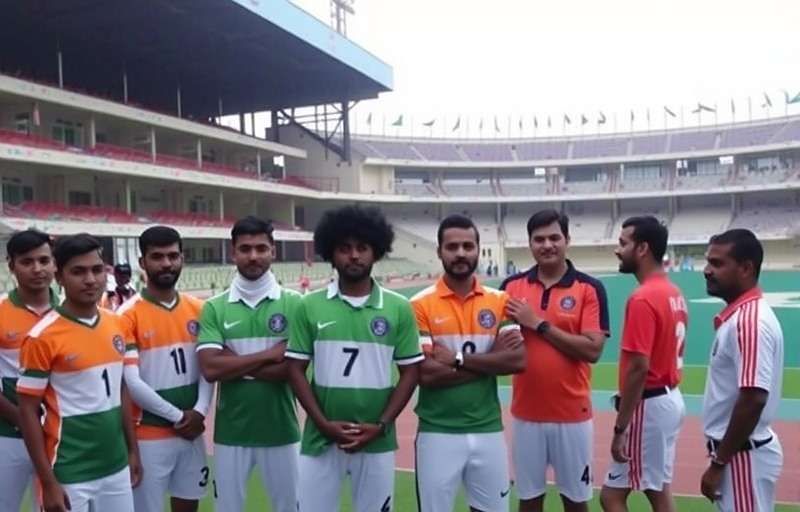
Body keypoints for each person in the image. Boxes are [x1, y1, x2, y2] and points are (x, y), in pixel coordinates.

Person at [286, 205, 423, 512]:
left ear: (376, 251)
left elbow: (411, 372)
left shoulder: (398, 308)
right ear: (331, 254)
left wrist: (382, 424)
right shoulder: (309, 305)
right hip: (320, 440)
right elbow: (295, 369)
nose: (354, 256)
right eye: (344, 248)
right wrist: (322, 424)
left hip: (376, 439)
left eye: (362, 247)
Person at [16, 233, 142, 512]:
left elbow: (121, 390)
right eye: (78, 272)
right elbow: (27, 412)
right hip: (69, 469)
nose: (90, 280)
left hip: (116, 465)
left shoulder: (118, 324)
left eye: (97, 270)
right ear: (59, 277)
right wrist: (48, 483)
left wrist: (133, 450)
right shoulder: (41, 337)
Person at [412, 214, 525, 512]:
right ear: (439, 252)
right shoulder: (419, 305)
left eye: (467, 245)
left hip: (488, 429)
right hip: (437, 432)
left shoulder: (501, 301)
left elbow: (517, 360)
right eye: (452, 247)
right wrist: (490, 361)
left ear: (478, 249)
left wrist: (458, 360)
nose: (460, 253)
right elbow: (425, 374)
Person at [501, 210, 609, 512]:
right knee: (529, 499)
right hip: (525, 416)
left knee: (576, 501)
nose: (547, 245)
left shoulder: (589, 288)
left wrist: (537, 323)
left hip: (572, 416)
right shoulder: (510, 287)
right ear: (530, 244)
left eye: (554, 237)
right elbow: (497, 342)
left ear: (567, 240)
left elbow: (592, 350)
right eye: (539, 239)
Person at [197, 216, 301, 512]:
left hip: (282, 430)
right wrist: (269, 355)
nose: (253, 256)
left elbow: (293, 371)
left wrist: (233, 362)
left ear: (273, 251)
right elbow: (210, 369)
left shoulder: (296, 304)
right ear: (233, 253)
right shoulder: (215, 307)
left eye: (260, 248)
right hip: (231, 434)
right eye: (245, 249)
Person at [118, 226, 213, 512]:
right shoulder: (127, 315)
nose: (167, 263)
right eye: (157, 257)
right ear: (142, 263)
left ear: (182, 258)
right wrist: (179, 417)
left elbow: (207, 368)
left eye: (173, 255)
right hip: (150, 434)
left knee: (188, 506)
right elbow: (132, 383)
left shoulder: (201, 309)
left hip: (191, 432)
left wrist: (199, 412)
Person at [600, 216, 687, 512]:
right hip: (669, 398)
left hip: (648, 406)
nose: (618, 250)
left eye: (623, 243)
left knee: (612, 496)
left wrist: (620, 427)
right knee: (658, 490)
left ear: (642, 249)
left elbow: (638, 368)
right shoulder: (673, 292)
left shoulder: (643, 298)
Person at [700, 229, 783, 510]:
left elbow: (753, 398)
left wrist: (719, 462)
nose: (707, 270)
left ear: (746, 268)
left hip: (741, 456)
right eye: (708, 262)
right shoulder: (743, 317)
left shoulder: (748, 322)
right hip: (740, 454)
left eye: (718, 263)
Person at [0, 229, 59, 511]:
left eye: (44, 260)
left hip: (60, 439)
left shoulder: (74, 311)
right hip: (9, 435)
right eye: (27, 262)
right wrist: (23, 421)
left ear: (54, 263)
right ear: (11, 265)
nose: (37, 269)